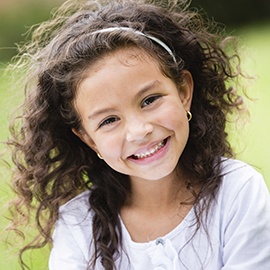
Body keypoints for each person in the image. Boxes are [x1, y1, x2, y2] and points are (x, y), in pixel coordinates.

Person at [7, 0, 270, 269]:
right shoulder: (78, 225)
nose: (138, 131)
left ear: (183, 92)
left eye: (149, 100)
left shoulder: (237, 192)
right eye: (109, 120)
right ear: (87, 137)